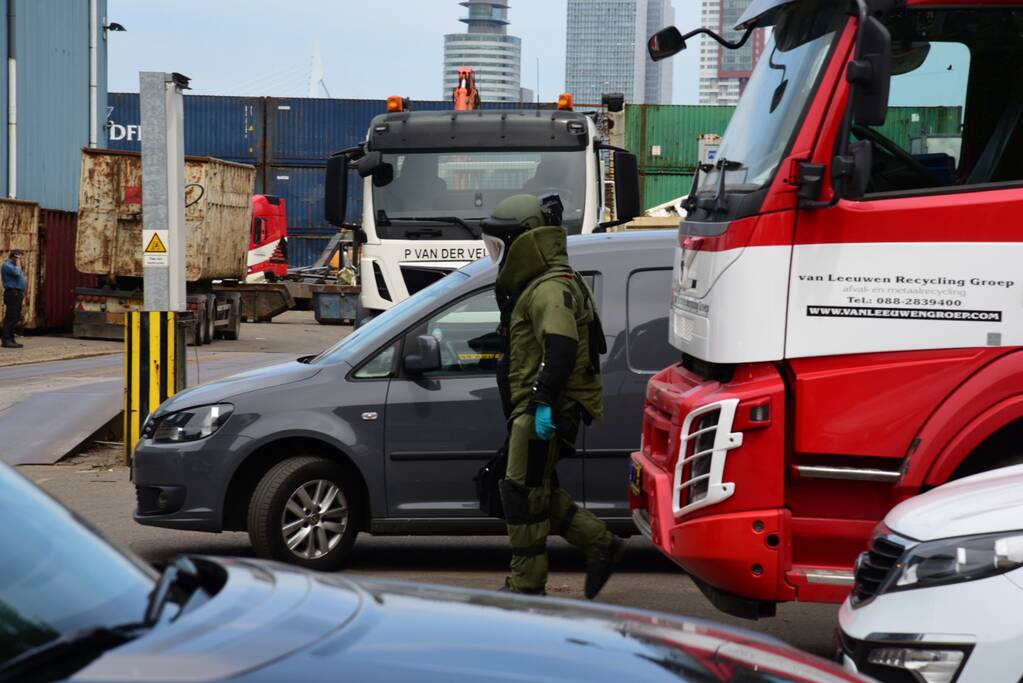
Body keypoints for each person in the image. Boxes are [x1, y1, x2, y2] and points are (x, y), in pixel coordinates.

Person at [481, 193, 623, 598]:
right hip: (536, 405)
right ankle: (602, 546)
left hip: (545, 408)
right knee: (534, 486)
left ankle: (527, 586)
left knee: (520, 492)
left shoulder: (549, 288)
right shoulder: (544, 284)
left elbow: (560, 346)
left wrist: (542, 402)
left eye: (500, 246)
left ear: (524, 243)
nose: (497, 257)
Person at [2, 250, 26, 349]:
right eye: (19, 257)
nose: (20, 260)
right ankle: (6, 340)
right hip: (12, 293)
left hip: (18, 293)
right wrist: (18, 263)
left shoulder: (17, 266)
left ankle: (11, 339)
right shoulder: (7, 266)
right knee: (10, 318)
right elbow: (16, 273)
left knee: (16, 317)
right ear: (13, 257)